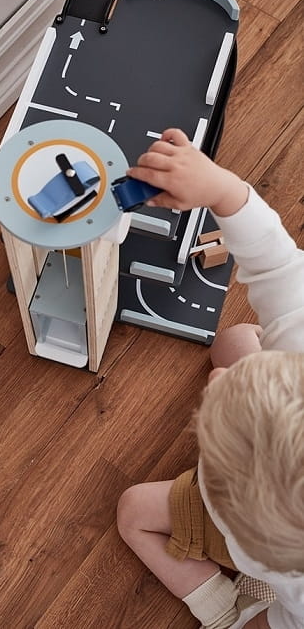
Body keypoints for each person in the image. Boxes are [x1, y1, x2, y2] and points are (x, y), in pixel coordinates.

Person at [116, 128, 304, 629]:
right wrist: (222, 189)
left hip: (254, 545)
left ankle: (222, 611)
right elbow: (276, 262)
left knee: (133, 512)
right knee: (236, 339)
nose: (218, 378)